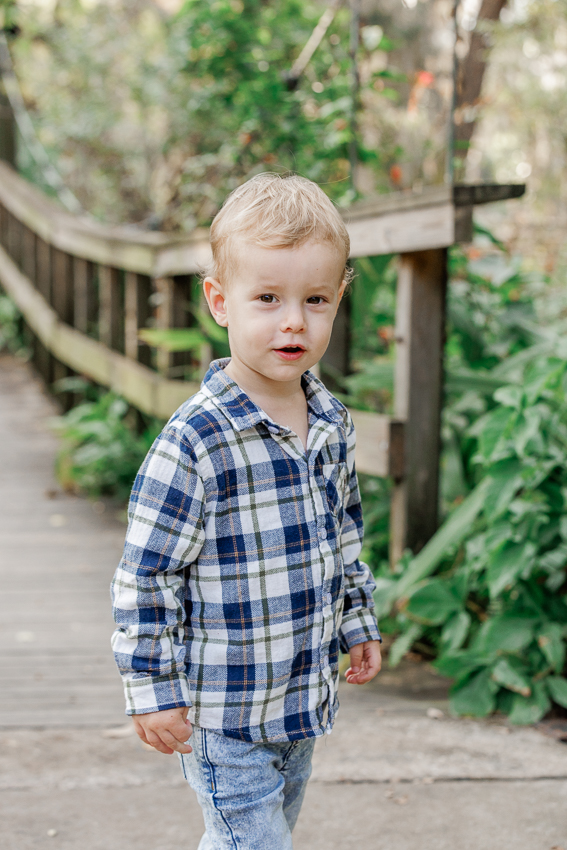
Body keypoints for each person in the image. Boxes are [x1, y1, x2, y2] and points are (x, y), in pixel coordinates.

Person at [111, 172, 382, 850]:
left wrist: (358, 621)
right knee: (253, 843)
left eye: (315, 299)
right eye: (267, 298)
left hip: (297, 702)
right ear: (219, 301)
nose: (293, 320)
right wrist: (151, 686)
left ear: (337, 300)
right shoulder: (196, 441)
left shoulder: (329, 422)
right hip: (222, 708)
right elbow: (145, 576)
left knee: (254, 837)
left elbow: (342, 537)